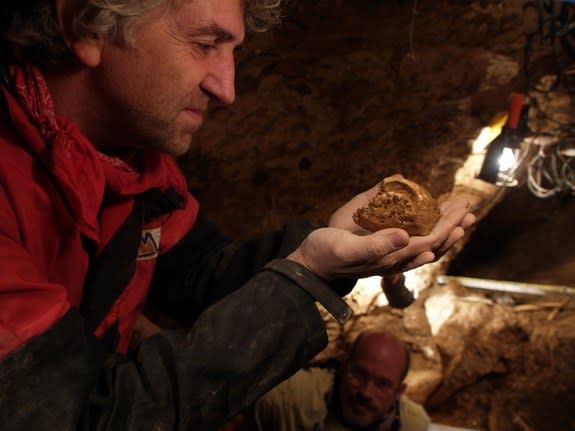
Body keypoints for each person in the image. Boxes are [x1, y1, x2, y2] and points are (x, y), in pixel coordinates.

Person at [0, 0, 475, 430]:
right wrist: (303, 276)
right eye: (205, 44)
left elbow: (205, 272)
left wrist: (332, 247)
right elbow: (84, 417)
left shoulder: (140, 172)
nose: (226, 89)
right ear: (86, 25)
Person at [250, 330, 430, 431]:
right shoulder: (290, 397)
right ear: (343, 369)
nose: (366, 392)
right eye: (358, 375)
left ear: (399, 392)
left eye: (382, 385)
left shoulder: (413, 424)